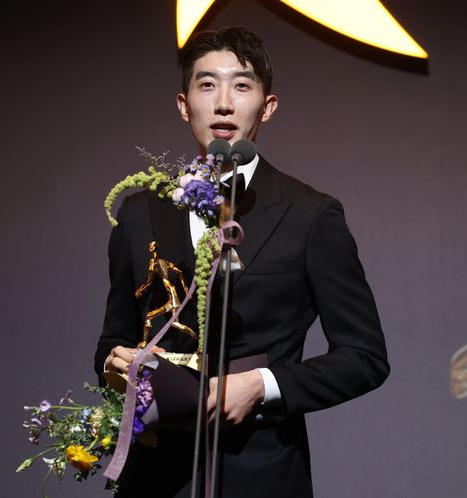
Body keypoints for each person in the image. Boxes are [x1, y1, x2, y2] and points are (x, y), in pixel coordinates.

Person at [95, 26, 389, 498]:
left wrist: (261, 385)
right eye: (207, 85)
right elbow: (114, 339)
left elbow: (364, 358)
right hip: (154, 476)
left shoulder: (310, 215)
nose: (223, 103)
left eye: (242, 86)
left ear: (267, 106)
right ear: (184, 104)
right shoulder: (138, 212)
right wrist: (115, 364)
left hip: (260, 471)